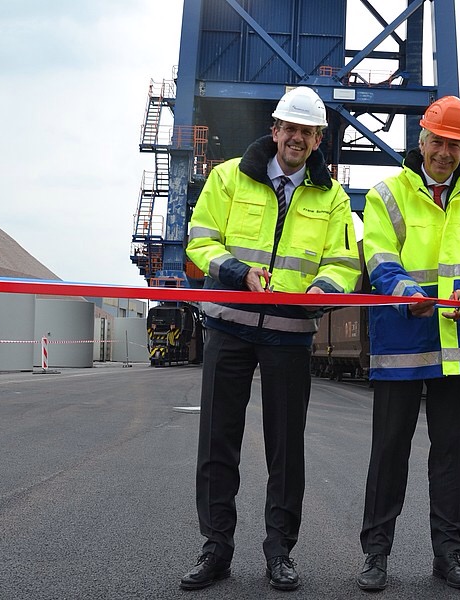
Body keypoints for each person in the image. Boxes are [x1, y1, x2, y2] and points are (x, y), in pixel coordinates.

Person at [179, 86, 361, 592]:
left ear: (319, 139)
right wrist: (238, 272)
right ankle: (216, 548)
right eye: (290, 128)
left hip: (290, 333)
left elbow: (344, 262)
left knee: (286, 450)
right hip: (229, 323)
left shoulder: (333, 197)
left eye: (308, 132)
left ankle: (280, 552)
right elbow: (200, 239)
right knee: (217, 443)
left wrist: (321, 291)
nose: (297, 138)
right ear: (275, 129)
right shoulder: (227, 177)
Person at [355, 95, 460, 593]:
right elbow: (378, 255)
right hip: (402, 340)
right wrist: (407, 293)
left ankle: (450, 555)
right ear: (421, 141)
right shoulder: (387, 194)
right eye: (438, 142)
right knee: (389, 453)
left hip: (455, 345)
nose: (445, 152)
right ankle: (376, 555)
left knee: (450, 457)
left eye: (454, 145)